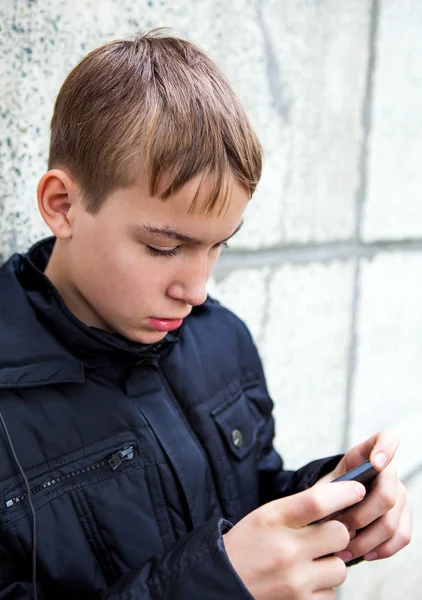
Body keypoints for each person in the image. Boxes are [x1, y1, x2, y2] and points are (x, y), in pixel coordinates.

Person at [0, 30, 411, 600]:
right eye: (164, 247)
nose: (196, 289)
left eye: (219, 246)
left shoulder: (222, 339)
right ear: (63, 206)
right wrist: (213, 585)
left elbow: (247, 500)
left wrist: (327, 503)